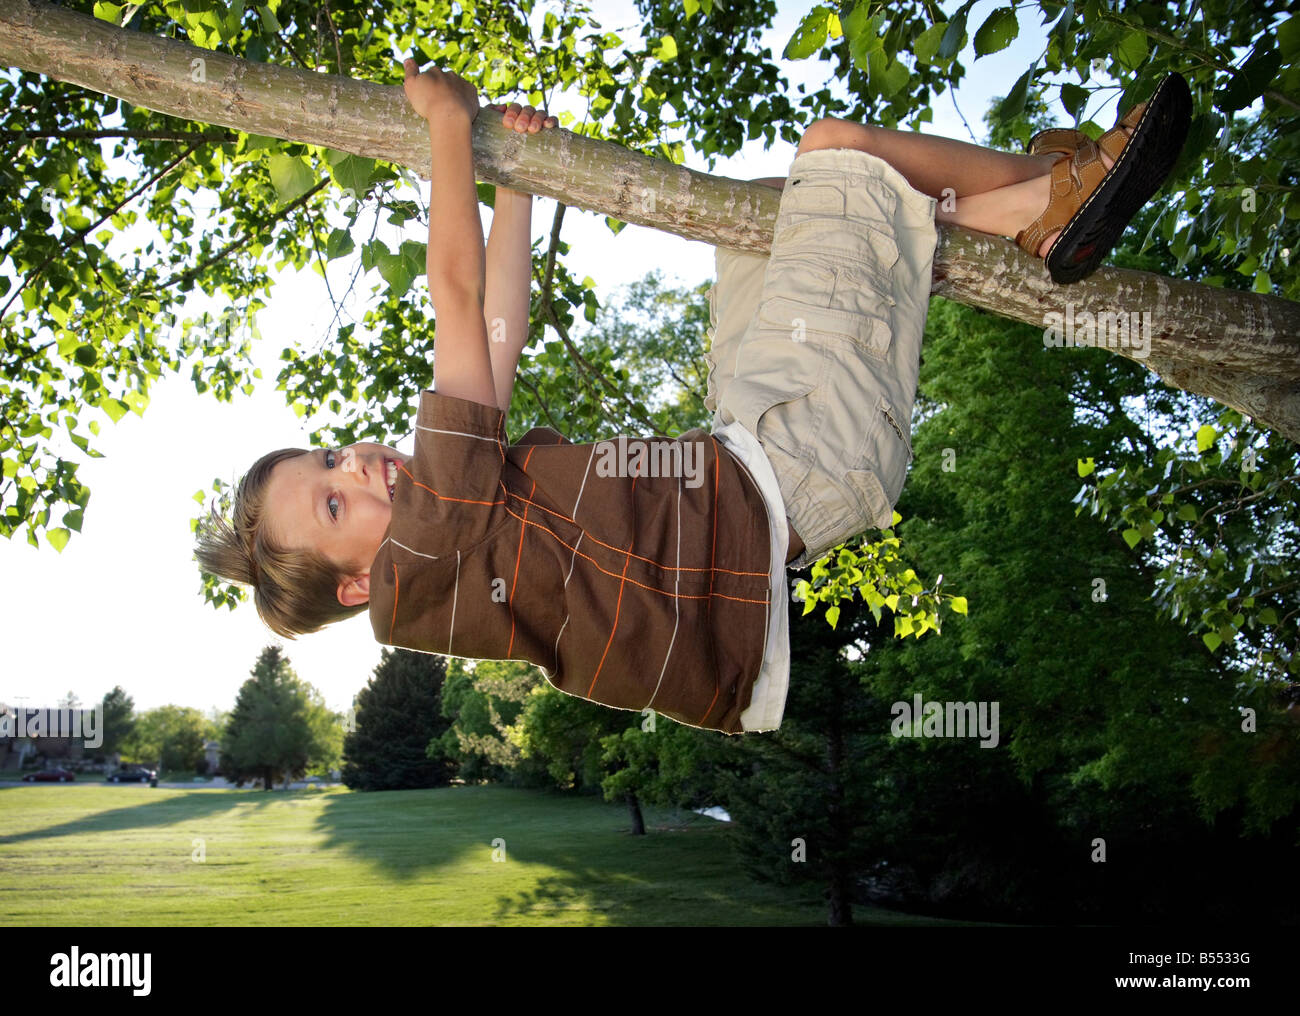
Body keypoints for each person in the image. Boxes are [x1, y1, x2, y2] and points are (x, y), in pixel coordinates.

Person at [194, 61, 1191, 735]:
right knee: (834, 150)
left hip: (754, 449)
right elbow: (456, 300)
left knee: (767, 219)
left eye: (329, 456)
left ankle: (1030, 211)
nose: (356, 470)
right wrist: (449, 120)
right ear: (357, 581)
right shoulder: (428, 539)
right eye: (334, 505)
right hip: (799, 457)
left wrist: (515, 182)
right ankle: (1064, 183)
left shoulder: (447, 555)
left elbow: (498, 337)